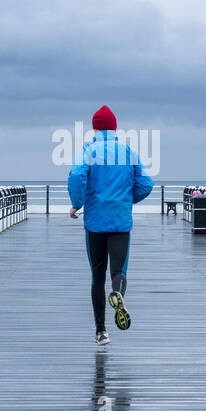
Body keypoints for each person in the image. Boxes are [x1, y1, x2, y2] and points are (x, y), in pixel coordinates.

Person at [68, 105, 154, 345]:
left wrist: (77, 203)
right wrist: (128, 199)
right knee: (119, 270)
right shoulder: (128, 151)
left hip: (95, 222)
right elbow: (146, 183)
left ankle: (101, 331)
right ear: (115, 128)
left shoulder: (88, 150)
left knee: (97, 276)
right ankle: (118, 293)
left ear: (94, 128)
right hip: (120, 222)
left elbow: (76, 176)